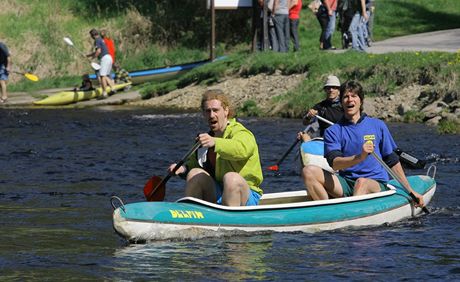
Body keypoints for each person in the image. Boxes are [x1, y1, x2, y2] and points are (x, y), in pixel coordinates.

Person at [301, 80, 425, 207]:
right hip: (346, 183)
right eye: (346, 97)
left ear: (361, 101)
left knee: (362, 182)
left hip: (375, 183)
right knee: (308, 171)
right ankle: (326, 210)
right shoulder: (333, 131)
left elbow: (392, 161)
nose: (350, 100)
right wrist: (360, 157)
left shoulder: (378, 125)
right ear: (341, 102)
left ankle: (352, 214)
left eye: (354, 96)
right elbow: (335, 164)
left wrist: (410, 191)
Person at [168, 89, 264, 207]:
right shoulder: (204, 140)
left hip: (247, 195)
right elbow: (194, 165)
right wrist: (182, 169)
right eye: (208, 111)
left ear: (226, 111)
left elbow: (241, 150)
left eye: (215, 110)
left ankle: (230, 223)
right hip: (219, 192)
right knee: (194, 173)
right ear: (204, 114)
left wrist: (215, 143)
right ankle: (193, 217)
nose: (212, 115)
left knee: (231, 178)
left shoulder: (241, 132)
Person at [299, 75, 343, 141]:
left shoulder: (345, 104)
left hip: (342, 138)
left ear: (339, 90)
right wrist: (309, 116)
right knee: (304, 136)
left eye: (334, 88)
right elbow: (305, 122)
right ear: (325, 90)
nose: (331, 90)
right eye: (328, 88)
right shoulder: (320, 106)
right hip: (325, 140)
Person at [87, 29, 113, 98]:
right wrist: (88, 55)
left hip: (104, 58)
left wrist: (92, 58)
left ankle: (104, 93)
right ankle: (113, 89)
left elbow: (98, 51)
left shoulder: (97, 40)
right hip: (109, 57)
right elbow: (97, 51)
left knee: (102, 76)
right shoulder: (101, 39)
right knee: (105, 76)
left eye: (91, 36)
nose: (91, 37)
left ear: (92, 35)